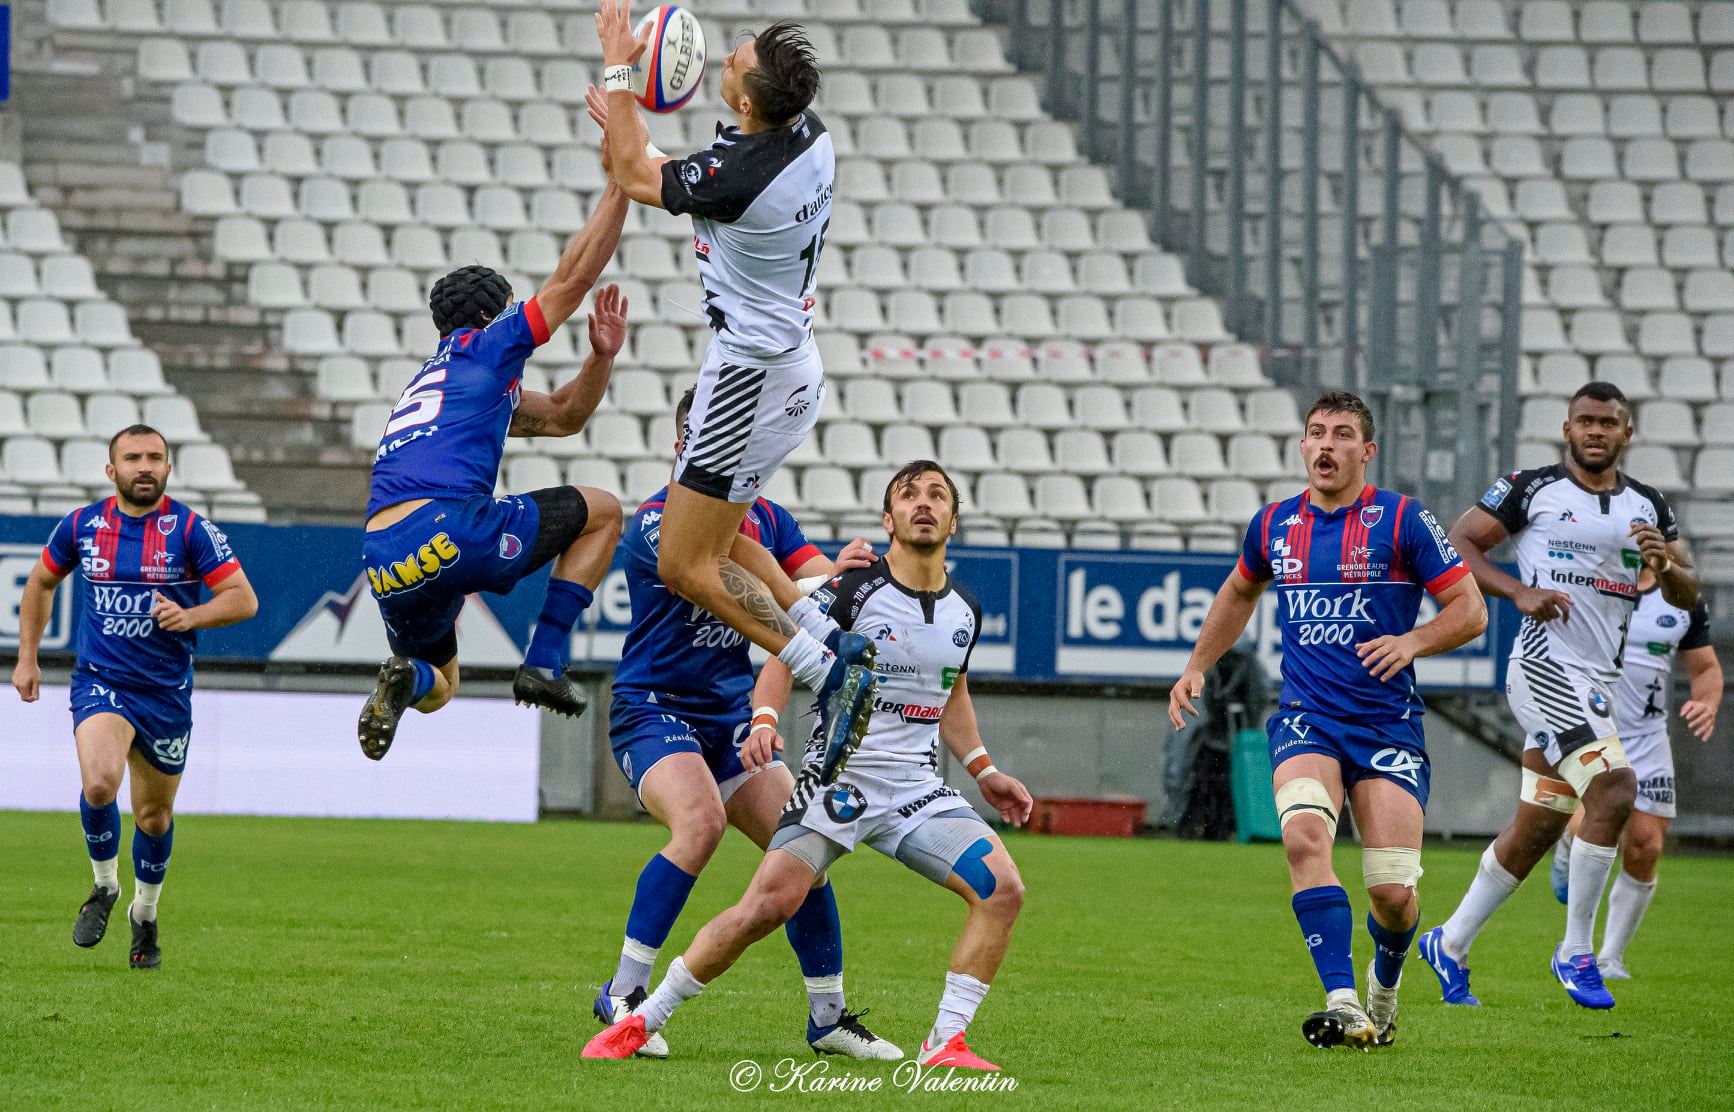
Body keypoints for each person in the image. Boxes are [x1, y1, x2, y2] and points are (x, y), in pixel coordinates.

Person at [585, 461, 1034, 1070]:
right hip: (834, 781)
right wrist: (765, 720)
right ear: (888, 519)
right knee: (762, 903)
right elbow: (781, 650)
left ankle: (938, 1043)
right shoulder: (849, 591)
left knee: (1002, 890)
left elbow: (951, 690)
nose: (923, 504)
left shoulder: (964, 609)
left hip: (916, 791)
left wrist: (983, 770)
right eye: (909, 495)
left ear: (955, 520)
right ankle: (638, 1013)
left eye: (937, 495)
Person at [585, 5, 875, 782]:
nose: (726, 55)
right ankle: (830, 636)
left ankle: (825, 671)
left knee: (683, 564)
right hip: (788, 366)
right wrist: (635, 138)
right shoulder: (809, 137)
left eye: (736, 61)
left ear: (748, 102)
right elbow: (671, 170)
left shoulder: (742, 178)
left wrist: (621, 68)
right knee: (716, 540)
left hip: (746, 382)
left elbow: (634, 175)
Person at [1168, 391, 1488, 1050]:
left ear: (1367, 451)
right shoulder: (1274, 524)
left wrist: (1413, 642)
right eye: (1316, 432)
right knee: (1304, 839)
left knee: (1392, 891)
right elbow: (1239, 590)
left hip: (1386, 726)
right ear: (1302, 445)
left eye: (1342, 434)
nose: (1325, 445)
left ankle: (1384, 986)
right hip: (1307, 718)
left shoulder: (1403, 519)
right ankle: (1341, 1001)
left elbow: (1471, 610)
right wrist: (1197, 664)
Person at [594, 387, 896, 1060]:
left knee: (804, 847)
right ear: (684, 444)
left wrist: (855, 580)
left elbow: (824, 593)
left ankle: (828, 1018)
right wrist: (817, 593)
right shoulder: (656, 522)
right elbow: (740, 582)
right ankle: (623, 993)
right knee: (700, 824)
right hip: (654, 707)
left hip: (727, 715)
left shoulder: (769, 516)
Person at [1418, 381, 1698, 1011]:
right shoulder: (1531, 488)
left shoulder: (1649, 505)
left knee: (1538, 826)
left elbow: (1687, 591)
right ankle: (1576, 951)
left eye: (1609, 422)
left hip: (1597, 683)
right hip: (1544, 668)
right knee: (1616, 790)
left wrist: (1667, 567)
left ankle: (1449, 942)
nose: (1596, 431)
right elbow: (1458, 542)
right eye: (1585, 421)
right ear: (1567, 430)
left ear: (1627, 433)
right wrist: (1517, 591)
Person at [355, 183, 632, 760]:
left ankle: (404, 678)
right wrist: (621, 186)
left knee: (442, 685)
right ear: (490, 316)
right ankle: (544, 661)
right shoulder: (485, 347)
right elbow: (573, 279)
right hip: (448, 528)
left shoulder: (434, 381)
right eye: (507, 309)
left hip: (383, 559)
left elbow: (564, 416)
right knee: (605, 512)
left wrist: (600, 357)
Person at [9, 424, 259, 969]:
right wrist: (27, 657)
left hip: (165, 692)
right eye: (132, 458)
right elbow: (41, 583)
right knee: (100, 784)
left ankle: (144, 914)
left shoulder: (191, 529)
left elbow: (243, 599)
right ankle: (104, 886)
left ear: (168, 468)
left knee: (154, 818)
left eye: (154, 457)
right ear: (111, 470)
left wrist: (191, 616)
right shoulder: (83, 525)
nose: (143, 466)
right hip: (102, 679)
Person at [1547, 566, 1718, 978]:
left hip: (1649, 737)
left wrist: (1707, 702)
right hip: (1595, 728)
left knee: (1646, 846)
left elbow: (1706, 668)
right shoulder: (1586, 579)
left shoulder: (1682, 598)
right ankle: (1569, 843)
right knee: (1595, 817)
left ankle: (1610, 958)